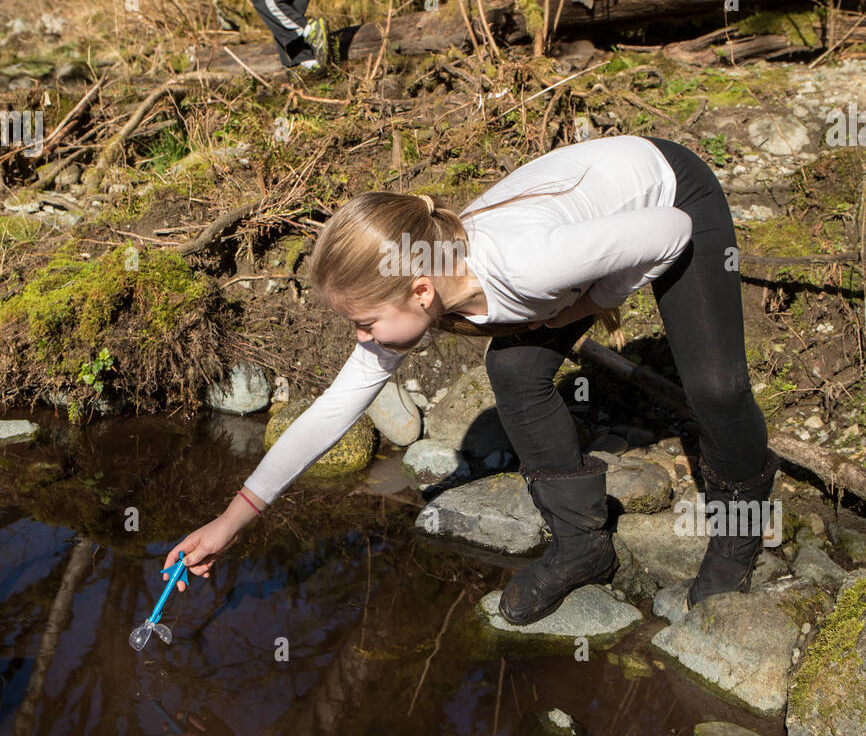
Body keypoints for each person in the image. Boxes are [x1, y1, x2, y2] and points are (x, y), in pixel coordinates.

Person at [163, 133, 779, 623]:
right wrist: (229, 522)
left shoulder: (530, 267)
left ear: (422, 290)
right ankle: (583, 548)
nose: (361, 337)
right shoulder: (427, 274)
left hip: (672, 196)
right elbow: (331, 411)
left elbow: (669, 233)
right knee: (513, 368)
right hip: (584, 231)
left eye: (365, 322)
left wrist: (588, 304)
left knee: (717, 390)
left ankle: (739, 534)